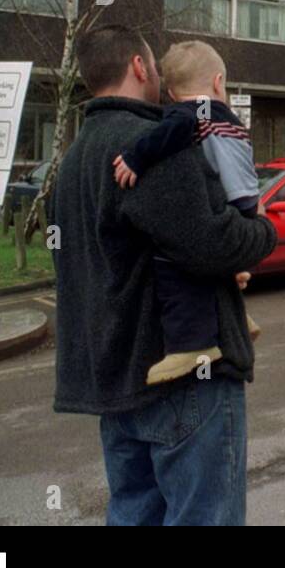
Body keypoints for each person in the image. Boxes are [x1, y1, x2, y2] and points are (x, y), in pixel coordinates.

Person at [51, 25, 277, 526]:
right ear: (138, 67)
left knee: (134, 515)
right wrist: (263, 233)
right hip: (181, 385)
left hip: (115, 385)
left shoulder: (71, 163)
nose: (160, 78)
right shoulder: (149, 144)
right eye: (154, 68)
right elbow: (212, 243)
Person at [110, 40, 260, 386]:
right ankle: (239, 318)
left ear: (173, 93)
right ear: (219, 81)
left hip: (225, 200)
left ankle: (194, 344)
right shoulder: (226, 116)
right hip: (245, 199)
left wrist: (137, 156)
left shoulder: (189, 113)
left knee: (174, 262)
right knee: (224, 263)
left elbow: (171, 132)